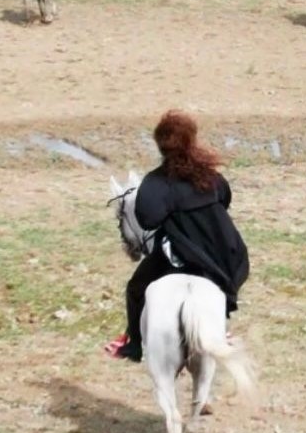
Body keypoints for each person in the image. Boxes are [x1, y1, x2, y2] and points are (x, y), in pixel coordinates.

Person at [105, 110, 250, 362]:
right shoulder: (211, 176)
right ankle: (220, 325)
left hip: (185, 254)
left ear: (161, 146)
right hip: (225, 253)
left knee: (136, 288)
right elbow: (225, 199)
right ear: (191, 141)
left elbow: (147, 220)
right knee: (223, 284)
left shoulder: (155, 183)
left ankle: (134, 345)